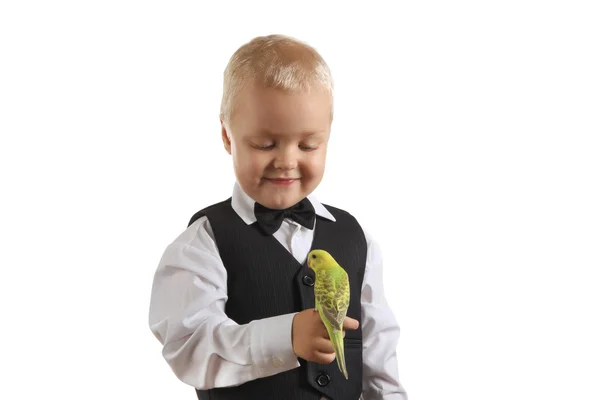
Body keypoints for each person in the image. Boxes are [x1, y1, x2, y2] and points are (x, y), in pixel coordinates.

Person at [148, 33, 407, 400]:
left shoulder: (355, 238)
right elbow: (189, 347)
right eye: (265, 144)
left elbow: (379, 349)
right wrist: (285, 337)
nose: (286, 161)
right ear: (227, 135)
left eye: (308, 145)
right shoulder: (202, 244)